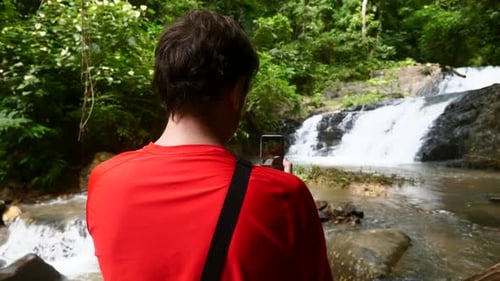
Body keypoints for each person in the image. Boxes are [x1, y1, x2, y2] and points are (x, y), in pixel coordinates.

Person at [86, 10, 333, 281]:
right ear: (236, 92)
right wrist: (278, 191)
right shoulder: (283, 196)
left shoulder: (103, 180)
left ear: (163, 87)